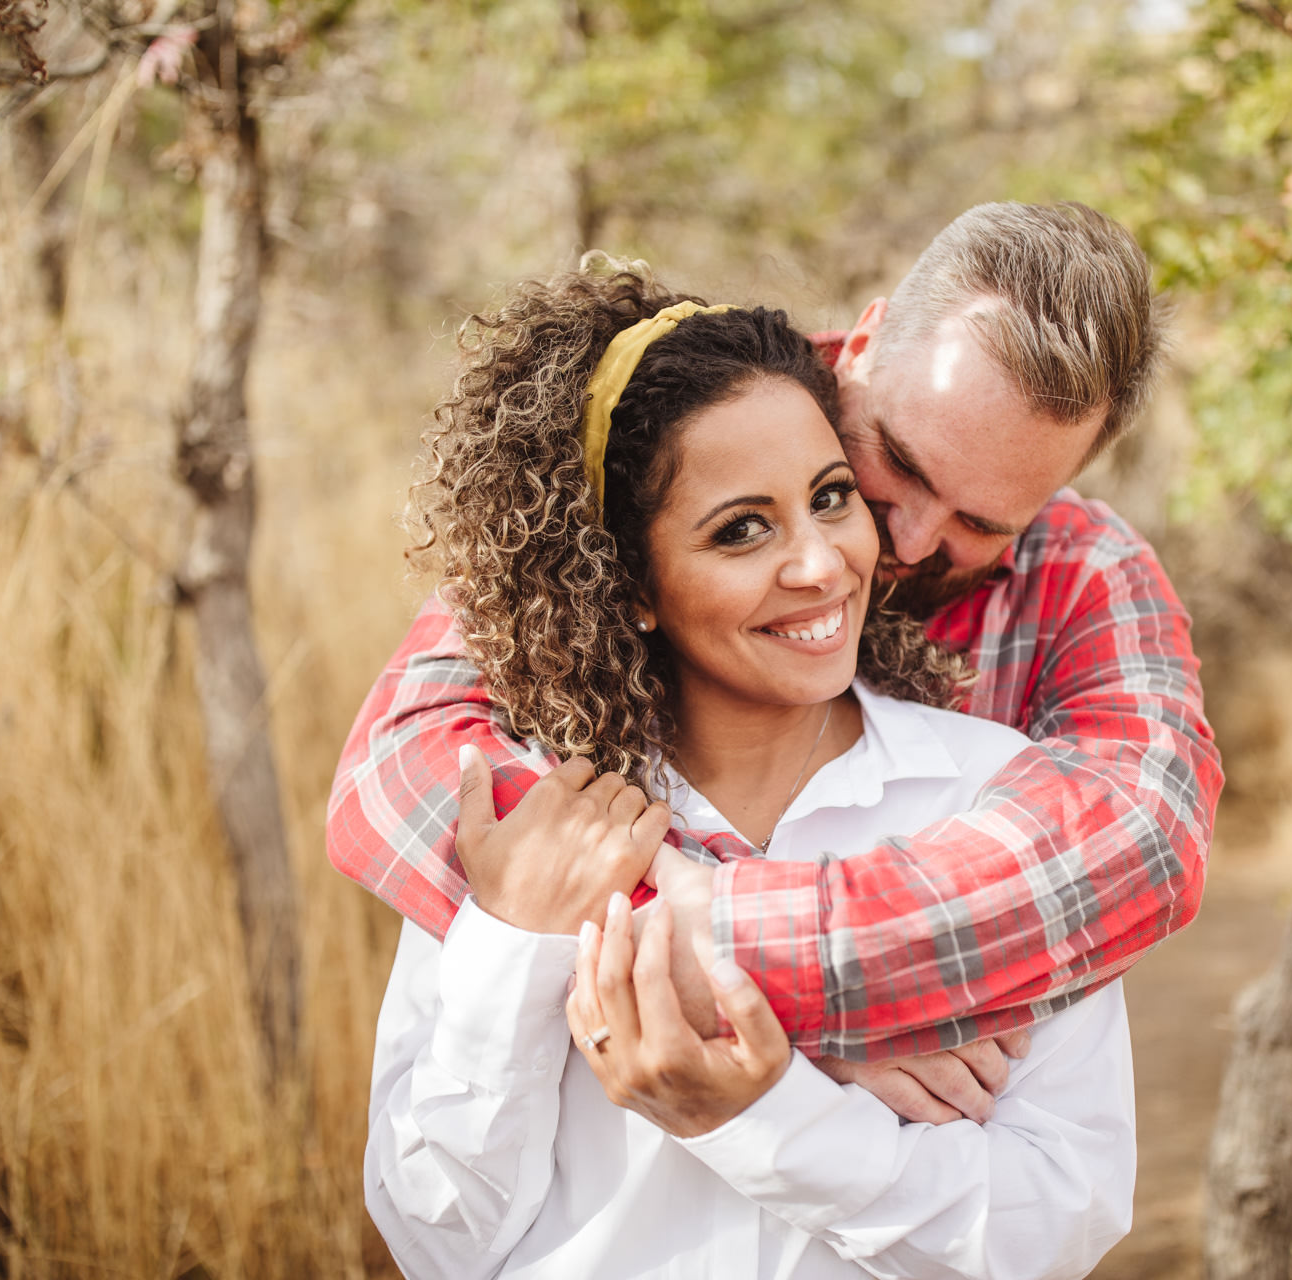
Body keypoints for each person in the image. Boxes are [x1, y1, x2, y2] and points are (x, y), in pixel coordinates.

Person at [331, 201, 1221, 1117]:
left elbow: (1144, 837)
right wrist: (749, 1005)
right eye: (899, 466)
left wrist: (735, 959)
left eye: (982, 522)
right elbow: (402, 769)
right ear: (867, 342)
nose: (909, 540)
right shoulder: (677, 418)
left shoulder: (1087, 570)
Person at [368, 273, 1136, 1277]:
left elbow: (1057, 1221)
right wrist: (514, 946)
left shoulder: (997, 800)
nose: (822, 563)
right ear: (632, 582)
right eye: (742, 528)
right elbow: (435, 1232)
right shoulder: (537, 830)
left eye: (831, 497)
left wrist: (768, 1114)